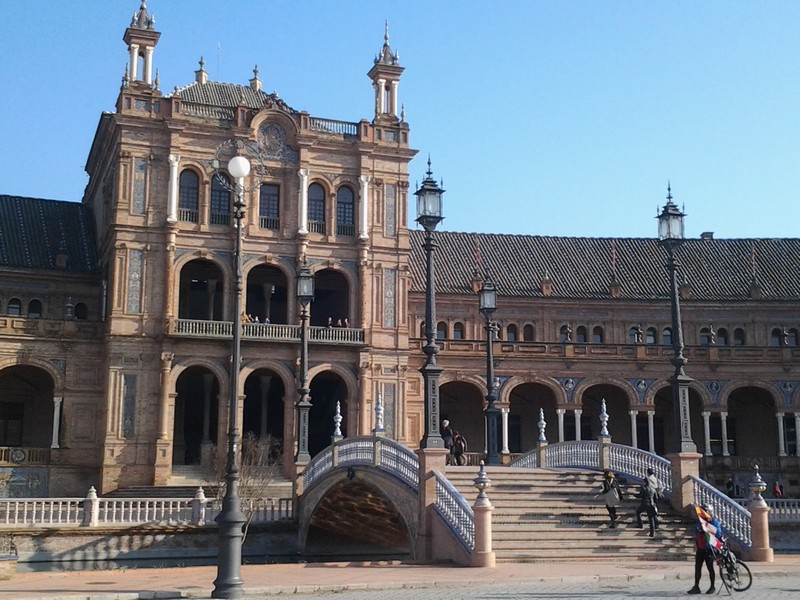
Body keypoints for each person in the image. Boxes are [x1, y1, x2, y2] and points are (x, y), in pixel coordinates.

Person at [688, 504, 720, 595]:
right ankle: (696, 586)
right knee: (697, 568)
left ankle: (712, 586)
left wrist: (707, 531)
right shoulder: (700, 522)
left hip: (709, 549)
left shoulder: (714, 522)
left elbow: (717, 534)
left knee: (710, 567)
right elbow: (695, 531)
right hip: (700, 548)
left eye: (705, 511)